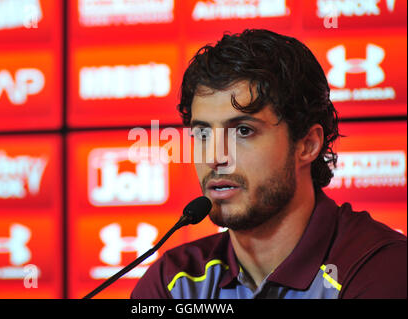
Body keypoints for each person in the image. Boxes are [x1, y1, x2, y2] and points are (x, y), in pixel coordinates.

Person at [130, 29, 407, 299]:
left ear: (307, 144)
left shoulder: (380, 268)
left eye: (243, 131)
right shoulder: (174, 282)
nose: (214, 157)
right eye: (203, 134)